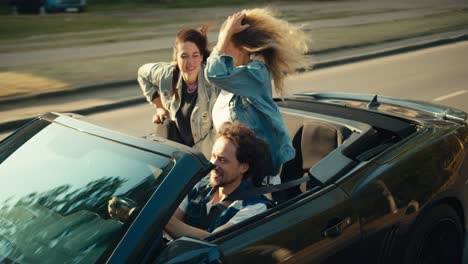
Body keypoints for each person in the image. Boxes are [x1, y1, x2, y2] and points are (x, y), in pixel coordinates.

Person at [205, 8, 309, 182]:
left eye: (225, 41)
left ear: (243, 48)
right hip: (234, 173)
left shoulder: (256, 75)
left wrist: (224, 37)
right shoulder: (232, 76)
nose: (220, 46)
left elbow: (213, 73)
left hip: (257, 179)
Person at [164, 122, 273, 239]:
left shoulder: (254, 207)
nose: (213, 165)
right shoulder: (198, 185)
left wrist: (158, 218)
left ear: (243, 167)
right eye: (213, 156)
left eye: (222, 160)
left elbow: (214, 241)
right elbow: (174, 222)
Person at [137, 26, 219, 158]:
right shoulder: (166, 74)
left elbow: (218, 130)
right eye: (184, 56)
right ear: (175, 57)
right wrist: (159, 107)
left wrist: (191, 157)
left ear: (201, 57)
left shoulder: (214, 83)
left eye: (195, 55)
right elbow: (142, 73)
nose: (190, 62)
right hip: (175, 154)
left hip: (203, 158)